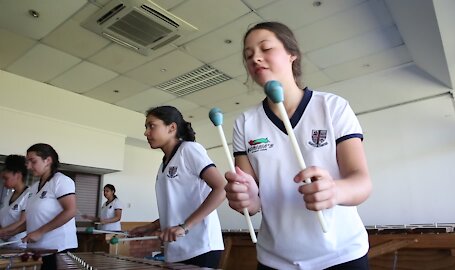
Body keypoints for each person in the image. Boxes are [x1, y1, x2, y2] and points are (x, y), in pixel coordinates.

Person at [224, 22, 372, 270]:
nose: (255, 58)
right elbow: (252, 203)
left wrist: (334, 191)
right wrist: (245, 199)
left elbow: (362, 182)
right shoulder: (245, 123)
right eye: (248, 55)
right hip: (275, 260)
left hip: (342, 255)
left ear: (292, 54)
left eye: (265, 48)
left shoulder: (333, 107)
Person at [129, 106, 225, 268]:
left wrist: (184, 226)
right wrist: (151, 226)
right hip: (175, 250)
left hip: (200, 247)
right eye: (146, 127)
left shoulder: (189, 150)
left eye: (151, 126)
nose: (146, 132)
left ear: (172, 128)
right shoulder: (163, 164)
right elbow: (177, 207)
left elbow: (221, 188)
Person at [23, 143, 78, 270]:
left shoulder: (61, 181)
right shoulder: (33, 187)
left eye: (33, 161)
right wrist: (8, 232)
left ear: (47, 160)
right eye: (27, 162)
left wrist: (40, 232)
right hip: (38, 251)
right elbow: (34, 217)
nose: (28, 166)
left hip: (58, 249)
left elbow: (70, 211)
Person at [0, 155, 30, 249]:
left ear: (18, 175)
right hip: (5, 243)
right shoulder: (8, 196)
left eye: (6, 178)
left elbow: (22, 221)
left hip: (19, 244)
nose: (4, 182)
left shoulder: (28, 195)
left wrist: (3, 231)